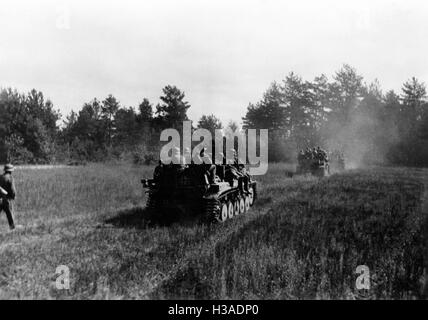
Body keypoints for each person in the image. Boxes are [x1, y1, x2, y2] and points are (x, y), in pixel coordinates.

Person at [0, 164, 16, 230]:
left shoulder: (0, 177)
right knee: (10, 215)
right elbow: (12, 190)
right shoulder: (10, 178)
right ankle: (12, 228)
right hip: (7, 200)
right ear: (11, 171)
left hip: (0, 199)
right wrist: (13, 196)